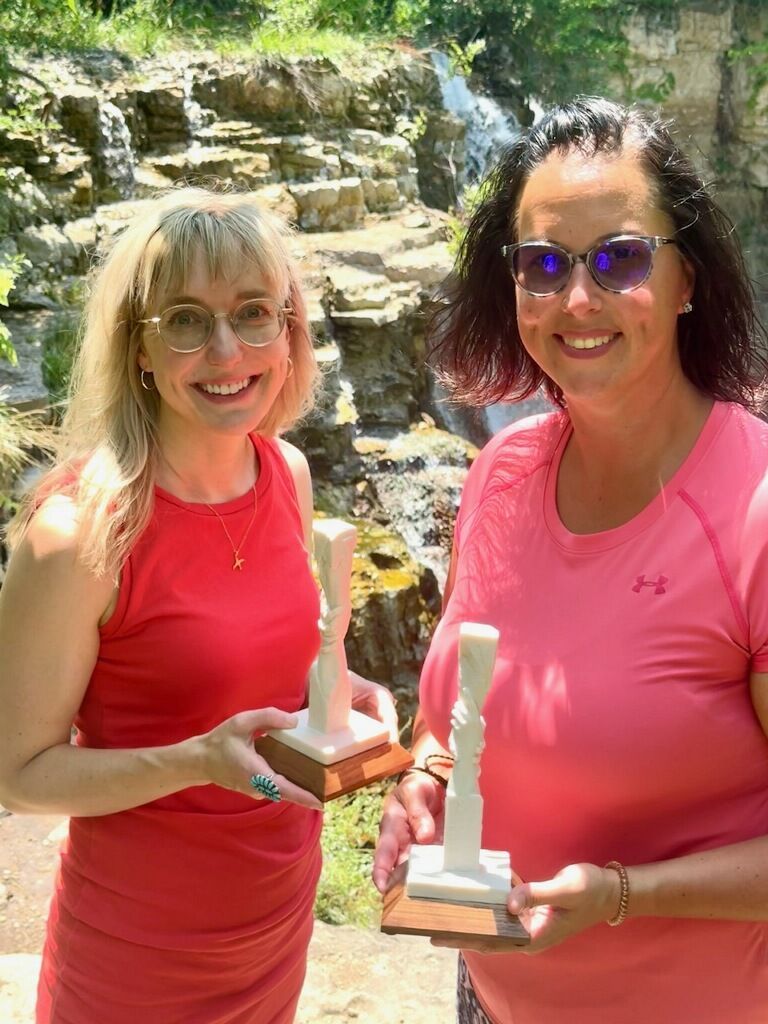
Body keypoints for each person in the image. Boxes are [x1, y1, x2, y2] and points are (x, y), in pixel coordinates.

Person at [373, 96, 768, 1023]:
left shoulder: (754, 514)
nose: (577, 300)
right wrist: (425, 783)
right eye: (542, 265)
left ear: (687, 280)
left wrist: (621, 894)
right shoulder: (502, 475)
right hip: (495, 995)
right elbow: (455, 716)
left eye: (620, 258)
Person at [0, 185, 396, 1024]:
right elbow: (17, 775)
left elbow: (256, 663)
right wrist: (190, 761)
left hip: (274, 926)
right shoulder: (79, 533)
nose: (226, 352)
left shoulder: (283, 474)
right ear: (139, 349)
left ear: (288, 334)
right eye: (185, 320)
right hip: (137, 961)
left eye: (254, 314)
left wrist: (339, 687)